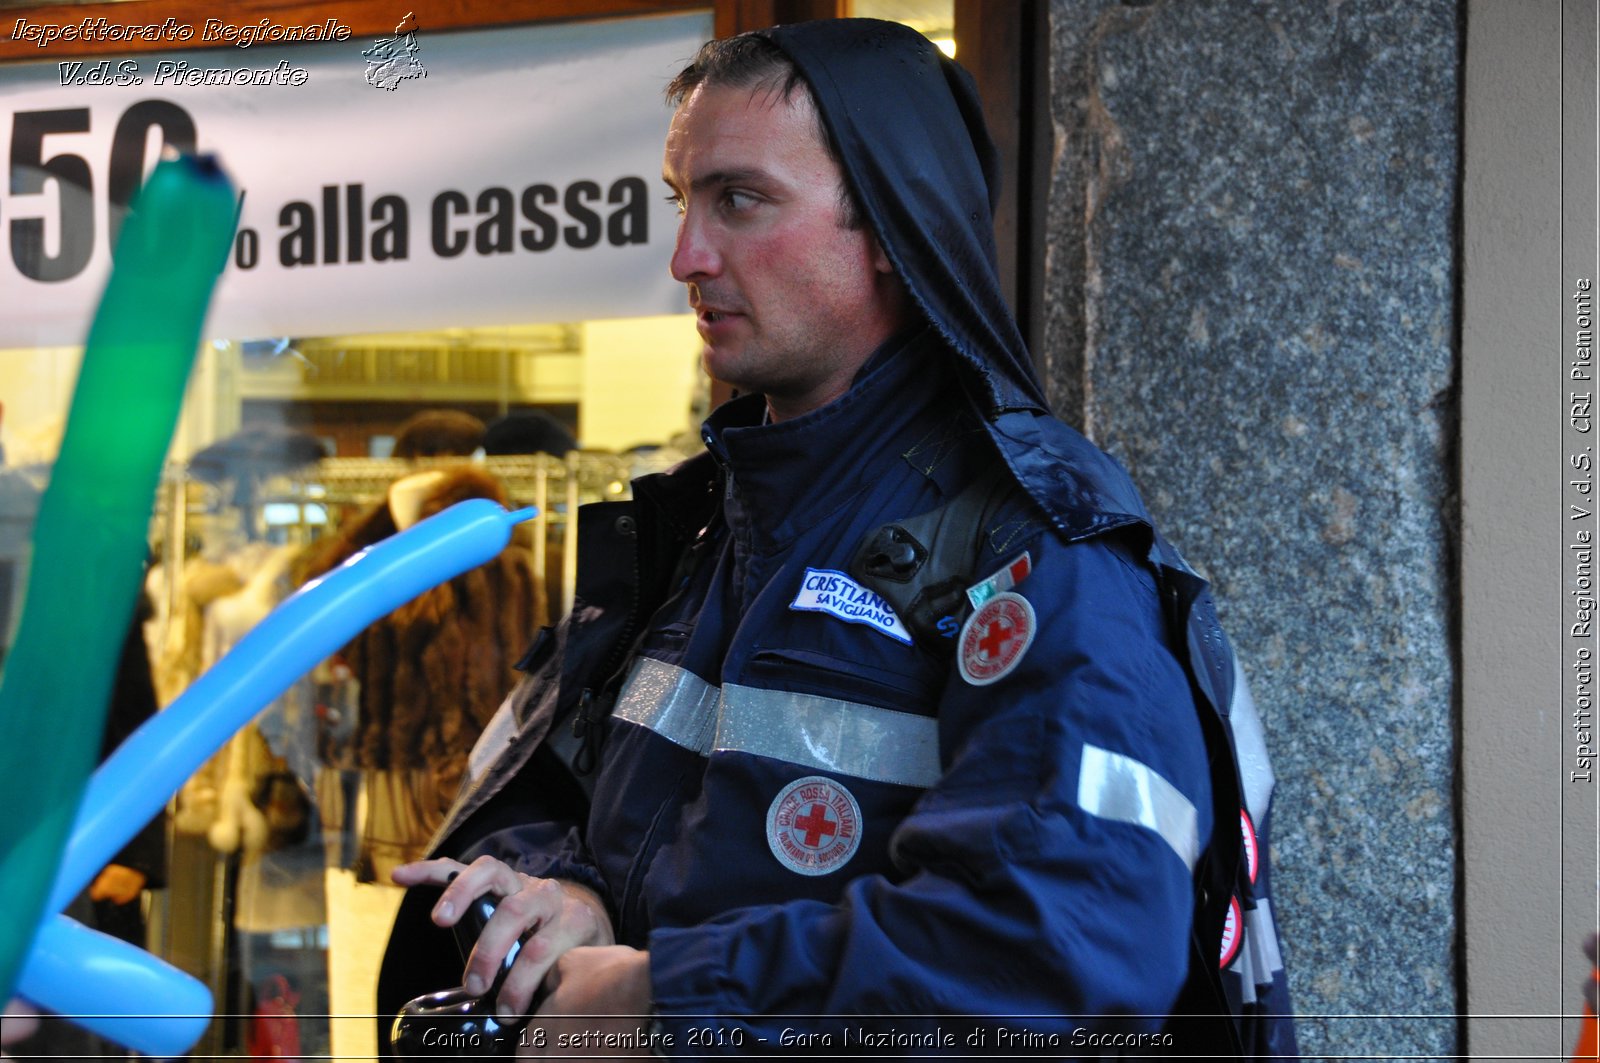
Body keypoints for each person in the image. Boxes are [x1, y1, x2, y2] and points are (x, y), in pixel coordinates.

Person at [379, 18, 1296, 1058]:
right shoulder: (693, 534)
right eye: (684, 202)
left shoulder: (1039, 552)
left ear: (894, 232)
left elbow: (1054, 959)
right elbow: (556, 797)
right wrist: (563, 891)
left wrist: (664, 999)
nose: (686, 256)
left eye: (740, 200)